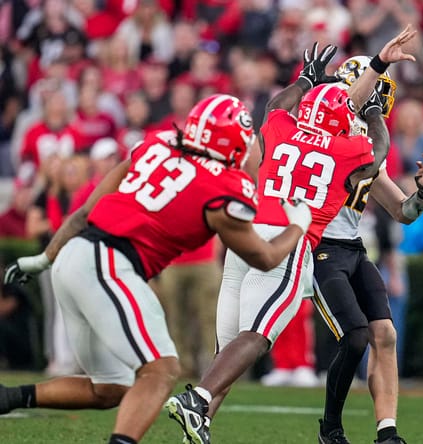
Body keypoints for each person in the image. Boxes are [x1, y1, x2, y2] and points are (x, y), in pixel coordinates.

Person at [0, 94, 312, 444]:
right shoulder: (225, 187)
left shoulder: (157, 145)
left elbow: (87, 210)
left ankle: (7, 398)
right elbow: (266, 258)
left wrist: (44, 259)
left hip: (73, 259)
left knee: (111, 388)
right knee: (161, 371)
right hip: (108, 267)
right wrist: (298, 224)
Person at [166, 28, 418, 444]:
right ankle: (198, 400)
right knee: (258, 336)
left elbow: (274, 108)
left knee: (227, 348)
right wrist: (372, 111)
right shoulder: (345, 149)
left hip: (246, 236)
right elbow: (376, 153)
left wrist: (305, 78)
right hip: (286, 241)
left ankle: (200, 416)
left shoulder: (283, 128)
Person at [312, 55, 423, 444]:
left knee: (384, 334)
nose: (377, 103)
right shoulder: (326, 136)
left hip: (352, 247)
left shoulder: (368, 145)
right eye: (372, 92)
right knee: (355, 336)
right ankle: (330, 428)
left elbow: (403, 212)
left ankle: (387, 430)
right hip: (318, 246)